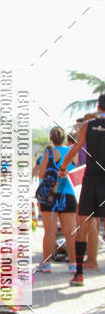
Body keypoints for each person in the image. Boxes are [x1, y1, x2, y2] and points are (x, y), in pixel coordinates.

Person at [61, 93, 105, 286]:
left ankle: (79, 274)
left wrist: (63, 167)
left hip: (91, 178)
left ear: (98, 107)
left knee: (83, 224)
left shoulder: (88, 126)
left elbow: (77, 148)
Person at [35, 126, 78, 273]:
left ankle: (46, 265)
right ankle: (73, 264)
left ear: (51, 138)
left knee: (50, 231)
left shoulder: (49, 152)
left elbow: (41, 175)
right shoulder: (72, 152)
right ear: (64, 138)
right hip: (68, 194)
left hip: (50, 197)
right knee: (70, 231)